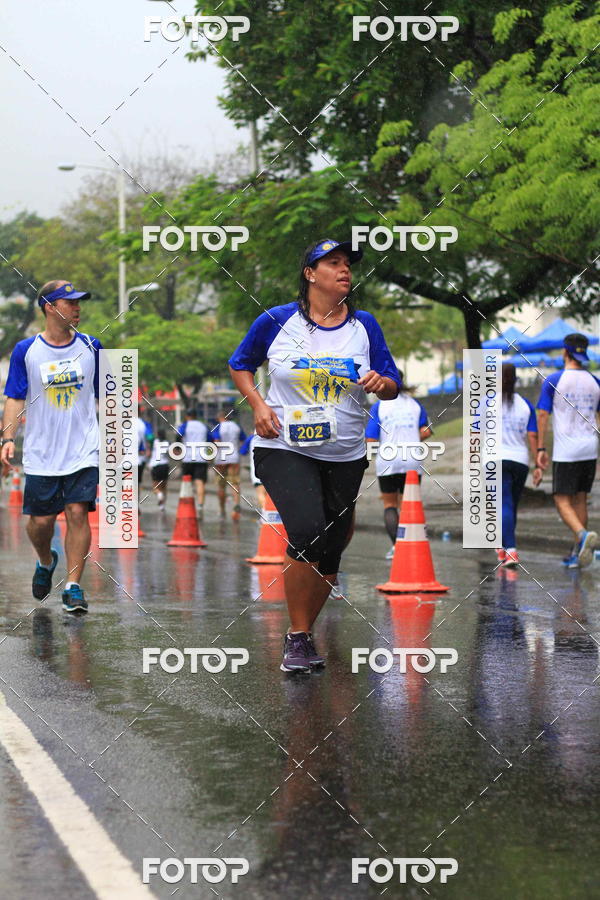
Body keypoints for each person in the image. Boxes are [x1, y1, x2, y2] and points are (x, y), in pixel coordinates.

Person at [229, 238, 400, 673]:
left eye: (347, 264)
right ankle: (299, 636)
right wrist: (259, 405)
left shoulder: (364, 326)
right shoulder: (277, 321)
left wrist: (384, 384)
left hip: (344, 453)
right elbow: (240, 363)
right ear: (310, 273)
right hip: (283, 446)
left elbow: (392, 380)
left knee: (333, 547)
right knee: (307, 531)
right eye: (333, 263)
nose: (344, 270)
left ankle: (305, 629)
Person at [1, 280, 101, 613]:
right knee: (41, 523)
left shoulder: (92, 346)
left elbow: (113, 396)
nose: (77, 308)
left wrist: (119, 445)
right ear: (50, 307)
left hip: (83, 450)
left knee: (77, 513)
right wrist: (7, 438)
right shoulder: (26, 350)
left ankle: (73, 586)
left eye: (79, 302)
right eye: (70, 302)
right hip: (42, 453)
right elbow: (14, 397)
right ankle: (46, 560)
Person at [537, 333, 600, 567]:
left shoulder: (554, 379)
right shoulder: (595, 381)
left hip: (566, 450)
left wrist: (541, 448)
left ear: (565, 352)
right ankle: (578, 552)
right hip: (589, 448)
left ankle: (583, 536)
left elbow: (543, 414)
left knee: (562, 500)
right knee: (580, 498)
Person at [365, 371, 431, 559]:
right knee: (409, 504)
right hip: (413, 458)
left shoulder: (379, 406)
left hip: (388, 459)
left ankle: (397, 547)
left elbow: (371, 438)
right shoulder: (414, 404)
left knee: (390, 504)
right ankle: (413, 544)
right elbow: (426, 431)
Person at [498, 363, 541, 568]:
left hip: (495, 459)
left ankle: (511, 550)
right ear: (516, 380)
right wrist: (537, 463)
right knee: (511, 505)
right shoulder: (525, 405)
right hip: (520, 461)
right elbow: (532, 435)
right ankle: (504, 547)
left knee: (503, 504)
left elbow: (476, 435)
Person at [210, 410, 246, 520]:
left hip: (221, 459)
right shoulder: (236, 426)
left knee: (221, 486)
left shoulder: (218, 427)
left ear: (220, 417)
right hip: (234, 458)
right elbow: (243, 440)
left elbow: (216, 442)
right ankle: (236, 505)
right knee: (235, 483)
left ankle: (222, 510)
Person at [177, 407, 209, 517]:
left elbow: (178, 435)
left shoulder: (185, 425)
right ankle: (200, 505)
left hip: (188, 458)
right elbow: (211, 439)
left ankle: (187, 505)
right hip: (201, 458)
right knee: (200, 482)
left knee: (187, 482)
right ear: (196, 416)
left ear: (187, 416)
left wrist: (178, 448)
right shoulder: (203, 426)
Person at [240, 432, 266, 510]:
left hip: (257, 469)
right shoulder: (274, 435)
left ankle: (266, 514)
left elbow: (243, 452)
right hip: (271, 468)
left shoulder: (251, 438)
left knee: (260, 493)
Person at [150, 428, 170, 508]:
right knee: (164, 486)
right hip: (165, 465)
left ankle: (159, 495)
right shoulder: (168, 443)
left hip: (156, 465)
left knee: (156, 487)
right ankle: (162, 506)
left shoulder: (154, 442)